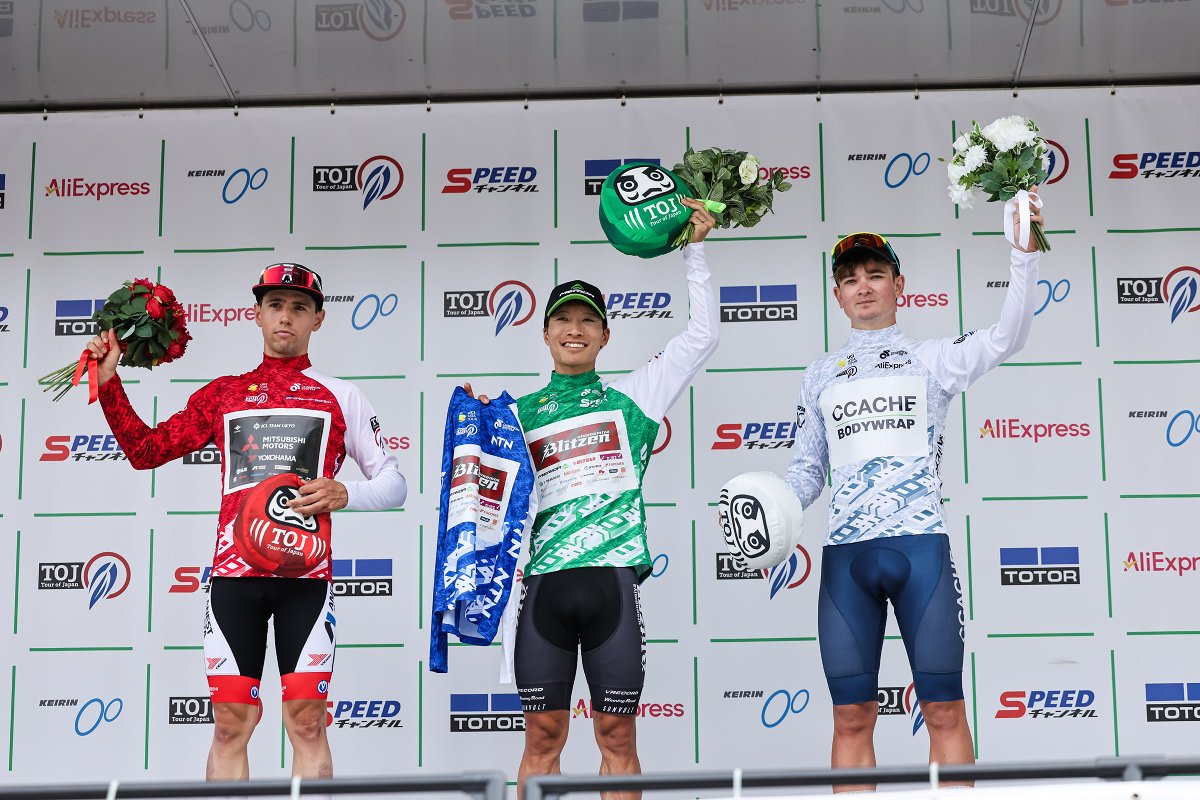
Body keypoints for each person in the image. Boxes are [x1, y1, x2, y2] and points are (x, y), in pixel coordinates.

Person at [84, 263, 407, 780]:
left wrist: (346, 492)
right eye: (275, 305)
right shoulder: (224, 394)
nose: (286, 317)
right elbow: (147, 451)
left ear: (318, 319)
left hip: (306, 580)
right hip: (234, 580)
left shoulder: (341, 395)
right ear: (256, 314)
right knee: (230, 726)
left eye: (299, 307)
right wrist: (108, 383)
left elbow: (394, 483)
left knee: (308, 723)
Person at [785, 196, 1045, 792]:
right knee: (851, 717)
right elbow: (808, 470)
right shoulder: (819, 374)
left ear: (899, 286)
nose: (863, 286)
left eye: (875, 274)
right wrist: (770, 510)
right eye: (850, 279)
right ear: (837, 295)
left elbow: (1009, 336)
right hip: (847, 558)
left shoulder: (932, 359)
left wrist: (1023, 257)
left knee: (944, 710)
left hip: (920, 549)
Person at [469, 196, 718, 799]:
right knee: (541, 740)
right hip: (543, 589)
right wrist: (474, 429)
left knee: (617, 737)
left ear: (606, 334)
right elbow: (484, 503)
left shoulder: (635, 396)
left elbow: (702, 336)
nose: (574, 330)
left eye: (587, 320)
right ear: (545, 334)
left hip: (612, 583)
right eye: (563, 320)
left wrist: (695, 252)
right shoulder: (514, 416)